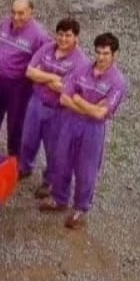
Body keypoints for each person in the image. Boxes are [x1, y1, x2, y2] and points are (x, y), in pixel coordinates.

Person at [40, 33, 128, 230]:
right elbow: (64, 98)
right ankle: (59, 198)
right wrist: (89, 106)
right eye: (98, 52)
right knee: (61, 159)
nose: (101, 57)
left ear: (115, 55)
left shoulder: (118, 82)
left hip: (92, 131)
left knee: (86, 170)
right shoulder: (81, 69)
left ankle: (80, 208)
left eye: (106, 53)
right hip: (70, 122)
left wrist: (78, 100)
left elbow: (100, 115)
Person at [21, 17, 89, 197]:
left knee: (54, 149)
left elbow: (65, 89)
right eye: (60, 34)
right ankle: (24, 167)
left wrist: (42, 75)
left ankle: (49, 181)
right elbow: (29, 71)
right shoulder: (47, 48)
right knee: (28, 139)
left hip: (58, 112)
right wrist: (53, 78)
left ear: (76, 38)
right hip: (36, 102)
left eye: (68, 35)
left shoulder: (80, 62)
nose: (63, 39)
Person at [0, 0, 51, 157]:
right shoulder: (5, 24)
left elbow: (44, 62)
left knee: (16, 122)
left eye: (21, 13)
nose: (16, 17)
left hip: (20, 86)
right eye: (13, 12)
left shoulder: (39, 36)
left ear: (31, 12)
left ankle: (15, 157)